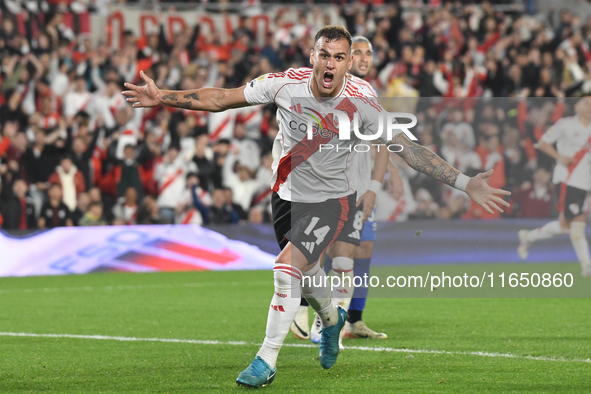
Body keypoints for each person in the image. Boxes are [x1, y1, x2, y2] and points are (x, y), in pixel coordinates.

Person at [123, 25, 509, 388]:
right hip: (286, 195)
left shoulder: (362, 102)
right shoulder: (284, 84)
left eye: (339, 57)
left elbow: (408, 149)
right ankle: (332, 317)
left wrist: (464, 182)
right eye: (324, 54)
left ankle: (266, 360)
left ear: (346, 62)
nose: (331, 63)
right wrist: (163, 97)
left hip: (331, 202)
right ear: (312, 56)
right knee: (306, 276)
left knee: (286, 269)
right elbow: (221, 98)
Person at [293, 36, 404, 344]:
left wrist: (384, 173)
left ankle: (351, 318)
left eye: (369, 52)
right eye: (358, 52)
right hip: (332, 187)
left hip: (361, 184)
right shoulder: (331, 88)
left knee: (359, 251)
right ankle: (309, 311)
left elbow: (377, 138)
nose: (365, 57)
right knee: (329, 252)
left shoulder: (367, 93)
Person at [518, 96, 591, 276]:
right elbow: (542, 143)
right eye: (587, 103)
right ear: (577, 106)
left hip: (585, 182)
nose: (590, 107)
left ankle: (528, 237)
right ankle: (587, 267)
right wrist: (560, 158)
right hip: (567, 179)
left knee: (566, 225)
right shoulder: (565, 124)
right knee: (577, 223)